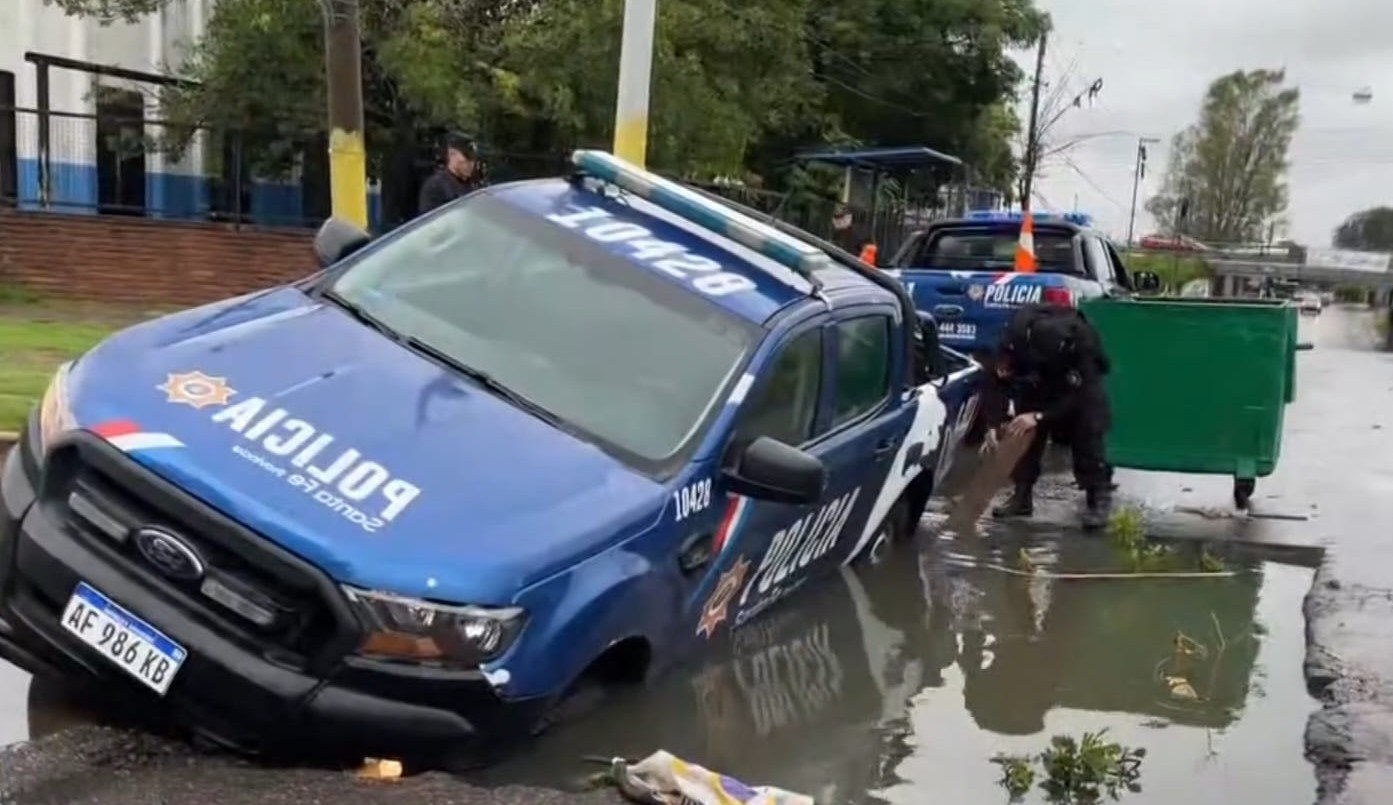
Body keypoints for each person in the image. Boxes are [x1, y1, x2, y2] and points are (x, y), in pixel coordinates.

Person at [979, 303, 1115, 530]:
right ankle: (1022, 496)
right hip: (1039, 386)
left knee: (1087, 429)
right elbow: (995, 380)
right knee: (1020, 426)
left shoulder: (1081, 344)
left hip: (1078, 392)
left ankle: (1098, 498)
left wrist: (1041, 416)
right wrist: (993, 423)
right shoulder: (1015, 337)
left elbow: (1079, 396)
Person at [418, 132, 483, 215]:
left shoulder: (473, 185)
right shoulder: (436, 186)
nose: (470, 164)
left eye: (473, 159)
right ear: (452, 154)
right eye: (467, 158)